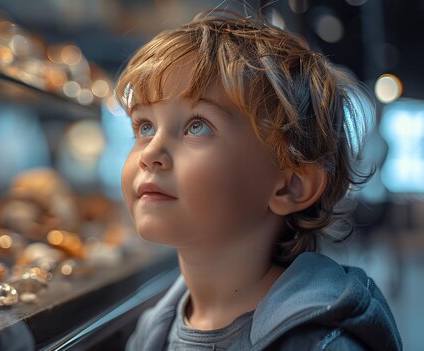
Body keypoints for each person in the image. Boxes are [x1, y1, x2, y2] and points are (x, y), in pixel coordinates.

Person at [115, 10, 402, 351]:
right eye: (144, 127)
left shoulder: (320, 343)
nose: (150, 153)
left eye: (197, 126)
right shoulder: (152, 332)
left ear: (290, 185)